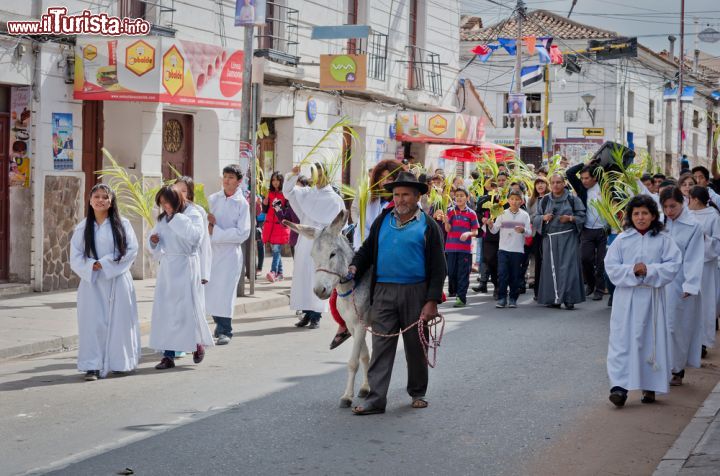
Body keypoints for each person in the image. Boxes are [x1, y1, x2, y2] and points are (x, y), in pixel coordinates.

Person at [349, 172, 447, 415]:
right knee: (381, 344)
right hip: (383, 291)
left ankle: (417, 392)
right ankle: (375, 399)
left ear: (416, 197)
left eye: (405, 195)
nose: (400, 199)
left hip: (416, 292)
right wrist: (354, 266)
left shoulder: (429, 226)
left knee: (415, 345)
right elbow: (367, 250)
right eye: (396, 195)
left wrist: (431, 301)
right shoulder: (383, 220)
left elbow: (439, 267)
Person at [604, 195, 682, 407]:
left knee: (651, 340)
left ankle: (650, 385)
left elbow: (674, 264)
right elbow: (610, 267)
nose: (640, 217)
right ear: (630, 216)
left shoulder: (664, 240)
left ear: (654, 216)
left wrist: (650, 270)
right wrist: (631, 270)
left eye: (645, 213)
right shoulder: (622, 239)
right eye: (636, 213)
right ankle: (619, 387)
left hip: (652, 298)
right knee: (622, 341)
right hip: (626, 298)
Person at [70, 184, 140, 380]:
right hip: (91, 281)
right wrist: (92, 266)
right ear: (90, 200)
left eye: (105, 197)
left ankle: (120, 362)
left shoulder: (122, 224)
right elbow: (75, 255)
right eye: (96, 197)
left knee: (120, 322)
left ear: (111, 202)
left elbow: (131, 250)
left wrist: (106, 264)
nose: (100, 200)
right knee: (91, 323)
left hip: (117, 279)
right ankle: (92, 365)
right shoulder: (83, 227)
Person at [149, 186, 214, 369]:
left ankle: (197, 344)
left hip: (186, 266)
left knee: (187, 310)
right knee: (167, 311)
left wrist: (176, 218)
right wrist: (153, 242)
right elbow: (156, 237)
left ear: (176, 200)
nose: (165, 207)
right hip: (168, 268)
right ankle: (168, 355)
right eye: (161, 204)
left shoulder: (193, 214)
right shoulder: (163, 219)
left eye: (167, 203)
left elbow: (195, 237)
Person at [283, 163, 345, 329]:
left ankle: (316, 315)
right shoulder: (307, 194)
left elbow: (340, 223)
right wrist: (294, 174)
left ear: (325, 174)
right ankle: (306, 313)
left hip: (322, 244)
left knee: (317, 277)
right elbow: (288, 192)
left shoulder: (334, 198)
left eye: (318, 173)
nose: (315, 177)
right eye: (313, 173)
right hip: (305, 241)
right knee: (303, 276)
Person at [660, 186, 704, 386]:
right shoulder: (658, 223)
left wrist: (691, 284)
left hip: (680, 283)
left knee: (676, 327)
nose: (669, 211)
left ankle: (677, 368)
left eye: (673, 206)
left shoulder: (693, 226)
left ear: (683, 203)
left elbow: (694, 257)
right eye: (666, 207)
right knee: (659, 326)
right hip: (658, 281)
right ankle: (660, 367)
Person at [205, 165, 252, 346]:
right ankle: (218, 324)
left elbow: (243, 233)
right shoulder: (213, 199)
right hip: (211, 252)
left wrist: (215, 230)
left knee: (225, 292)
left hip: (230, 254)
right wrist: (207, 225)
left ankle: (226, 330)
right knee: (211, 290)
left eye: (231, 177)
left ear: (239, 181)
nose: (226, 180)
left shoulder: (242, 204)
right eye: (225, 176)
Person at [532, 173, 586, 310]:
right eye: (553, 183)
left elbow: (582, 217)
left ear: (563, 183)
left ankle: (569, 299)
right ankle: (553, 298)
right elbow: (535, 218)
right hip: (550, 238)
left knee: (568, 268)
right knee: (551, 268)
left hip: (568, 237)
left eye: (558, 182)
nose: (555, 185)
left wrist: (570, 219)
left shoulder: (573, 199)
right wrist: (543, 218)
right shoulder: (544, 200)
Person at [566, 162, 608, 301]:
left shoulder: (604, 186)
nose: (584, 181)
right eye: (582, 178)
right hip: (587, 229)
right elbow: (569, 173)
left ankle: (600, 289)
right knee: (585, 259)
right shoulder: (581, 188)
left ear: (595, 178)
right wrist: (584, 164)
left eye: (586, 178)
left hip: (604, 230)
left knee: (602, 262)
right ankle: (590, 284)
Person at [687, 186, 720, 358]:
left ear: (696, 199)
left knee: (705, 304)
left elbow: (717, 244)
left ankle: (702, 343)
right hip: (689, 266)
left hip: (706, 268)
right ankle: (688, 341)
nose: (687, 202)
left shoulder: (713, 217)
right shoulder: (687, 215)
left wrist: (703, 239)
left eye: (689, 198)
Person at [488, 190, 532, 308]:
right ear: (508, 200)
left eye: (517, 199)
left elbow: (529, 233)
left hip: (517, 251)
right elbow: (494, 230)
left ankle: (513, 298)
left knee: (515, 275)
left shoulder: (524, 215)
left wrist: (523, 230)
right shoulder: (502, 213)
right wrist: (490, 225)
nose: (514, 201)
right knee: (502, 274)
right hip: (503, 250)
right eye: (512, 199)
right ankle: (502, 298)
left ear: (522, 201)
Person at [442, 187, 479, 308]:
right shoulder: (450, 211)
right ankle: (455, 292)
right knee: (451, 273)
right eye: (457, 195)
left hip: (465, 250)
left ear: (467, 198)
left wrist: (468, 233)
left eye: (462, 195)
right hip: (451, 248)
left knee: (463, 274)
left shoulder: (471, 214)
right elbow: (448, 230)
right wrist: (446, 222)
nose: (459, 198)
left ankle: (461, 298)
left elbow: (475, 232)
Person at [473, 181, 500, 297]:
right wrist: (483, 219)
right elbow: (476, 213)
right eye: (493, 186)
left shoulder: (508, 199)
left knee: (501, 263)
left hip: (505, 236)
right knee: (490, 260)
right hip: (489, 236)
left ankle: (500, 286)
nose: (495, 188)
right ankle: (495, 285)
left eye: (502, 182)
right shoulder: (484, 199)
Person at [262, 172, 290, 282]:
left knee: (276, 250)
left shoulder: (285, 194)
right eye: (273, 180)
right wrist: (264, 203)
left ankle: (273, 271)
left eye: (277, 180)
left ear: (281, 181)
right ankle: (280, 273)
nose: (275, 182)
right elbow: (265, 210)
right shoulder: (269, 193)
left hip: (280, 226)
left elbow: (287, 212)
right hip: (270, 226)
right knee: (276, 250)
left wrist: (278, 207)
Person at [526, 177, 549, 300]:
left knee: (549, 262)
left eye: (542, 183)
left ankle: (549, 289)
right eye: (537, 184)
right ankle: (538, 291)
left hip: (550, 233)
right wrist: (540, 216)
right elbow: (528, 217)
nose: (540, 186)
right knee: (538, 262)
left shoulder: (551, 197)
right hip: (537, 234)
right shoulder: (532, 200)